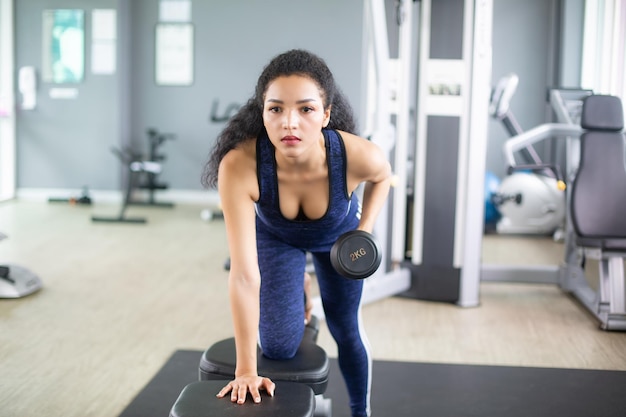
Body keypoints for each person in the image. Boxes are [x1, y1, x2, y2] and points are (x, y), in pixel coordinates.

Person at [201, 49, 391, 417]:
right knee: (278, 348)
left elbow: (383, 176)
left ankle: (360, 411)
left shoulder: (354, 155)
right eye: (275, 109)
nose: (289, 123)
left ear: (326, 114)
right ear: (263, 112)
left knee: (345, 328)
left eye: (305, 109)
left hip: (339, 240)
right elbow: (242, 274)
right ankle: (299, 283)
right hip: (277, 238)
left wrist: (363, 232)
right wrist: (246, 371)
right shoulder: (241, 165)